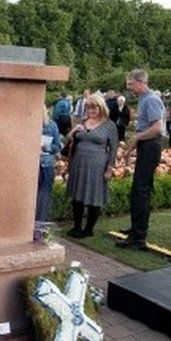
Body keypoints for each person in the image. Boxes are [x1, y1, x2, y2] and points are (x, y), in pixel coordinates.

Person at [116, 69, 165, 250]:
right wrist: (132, 148)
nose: (129, 88)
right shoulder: (145, 99)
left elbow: (157, 128)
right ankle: (135, 229)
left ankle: (139, 236)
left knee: (141, 191)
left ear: (140, 82)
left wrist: (136, 139)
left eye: (130, 84)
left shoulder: (151, 99)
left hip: (151, 146)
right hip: (147, 145)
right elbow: (145, 129)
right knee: (138, 190)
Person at [64, 92, 119, 238]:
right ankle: (76, 226)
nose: (91, 111)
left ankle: (89, 229)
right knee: (78, 195)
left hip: (97, 165)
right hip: (79, 163)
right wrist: (74, 130)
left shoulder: (110, 126)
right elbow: (67, 139)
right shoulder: (82, 122)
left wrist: (109, 168)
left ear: (101, 108)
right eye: (88, 108)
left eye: (94, 108)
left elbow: (113, 149)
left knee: (94, 196)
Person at [36, 106, 62, 224]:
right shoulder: (26, 124)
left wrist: (45, 146)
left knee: (44, 196)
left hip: (46, 164)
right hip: (31, 165)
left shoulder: (51, 125)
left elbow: (57, 146)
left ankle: (40, 224)